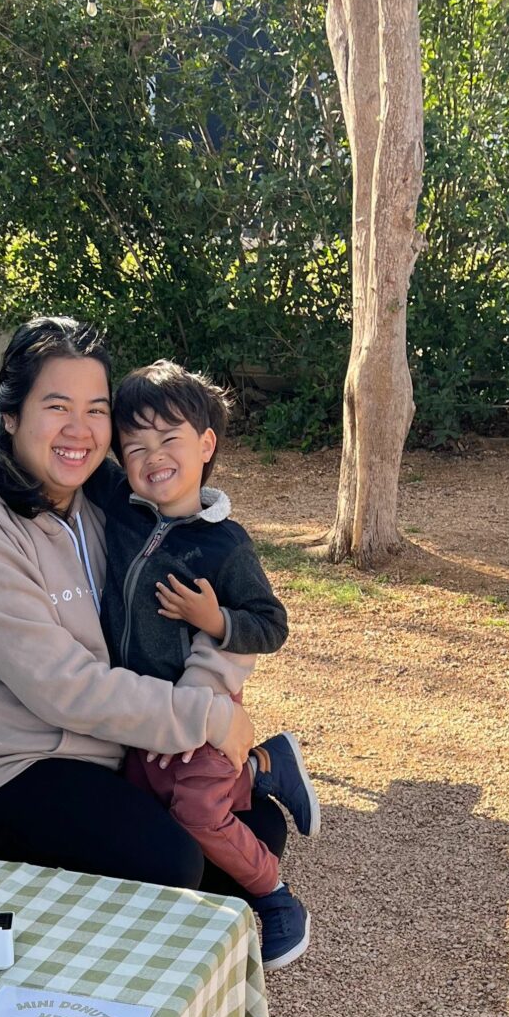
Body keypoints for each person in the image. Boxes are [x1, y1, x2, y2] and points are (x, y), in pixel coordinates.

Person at [0, 316, 289, 904]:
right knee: (172, 863)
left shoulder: (105, 502)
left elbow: (205, 561)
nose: (79, 430)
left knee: (260, 828)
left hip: (109, 746)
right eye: (56, 406)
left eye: (96, 410)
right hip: (9, 764)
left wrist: (210, 685)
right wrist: (207, 718)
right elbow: (65, 689)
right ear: (10, 413)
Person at [88, 359, 319, 968]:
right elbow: (63, 449)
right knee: (149, 803)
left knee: (196, 813)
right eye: (135, 446)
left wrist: (214, 620)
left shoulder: (224, 544)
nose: (153, 457)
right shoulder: (121, 507)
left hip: (203, 708)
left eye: (170, 439)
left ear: (206, 445)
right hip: (144, 714)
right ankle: (265, 767)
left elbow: (271, 624)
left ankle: (275, 898)